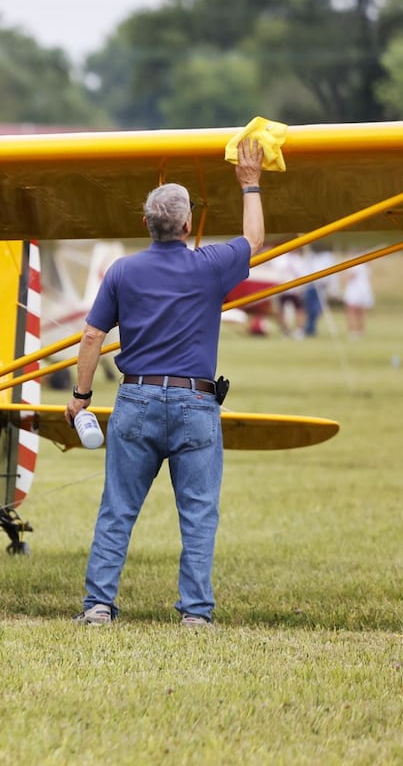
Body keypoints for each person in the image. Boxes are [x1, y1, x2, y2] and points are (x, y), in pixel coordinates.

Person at [66, 138, 266, 627]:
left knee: (117, 509)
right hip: (196, 404)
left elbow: (93, 335)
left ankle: (98, 606)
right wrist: (250, 184)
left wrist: (81, 397)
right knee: (198, 514)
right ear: (186, 225)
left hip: (134, 398)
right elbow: (255, 240)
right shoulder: (209, 265)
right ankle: (195, 613)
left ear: (146, 225)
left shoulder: (121, 271)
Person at [342, 262, 373, 338]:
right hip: (363, 290)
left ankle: (353, 331)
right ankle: (360, 331)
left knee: (352, 311)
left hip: (355, 290)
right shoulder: (366, 265)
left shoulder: (357, 264)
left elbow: (351, 275)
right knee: (360, 312)